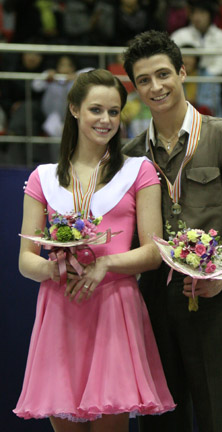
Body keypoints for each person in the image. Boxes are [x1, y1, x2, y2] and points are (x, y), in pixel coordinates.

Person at [122, 30, 222, 432]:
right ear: (135, 88)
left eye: (163, 74)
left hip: (213, 297)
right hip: (153, 299)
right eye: (143, 80)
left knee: (221, 419)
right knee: (161, 423)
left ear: (182, 72)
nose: (155, 87)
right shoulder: (130, 155)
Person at [13, 69, 176, 431]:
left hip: (114, 306)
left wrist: (106, 265)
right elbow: (26, 260)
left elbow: (154, 252)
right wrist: (58, 270)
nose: (106, 120)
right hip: (60, 310)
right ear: (73, 109)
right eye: (96, 110)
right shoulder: (43, 177)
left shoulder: (138, 171)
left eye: (114, 112)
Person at [170, 1, 222, 76]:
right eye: (194, 13)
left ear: (210, 15)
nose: (197, 17)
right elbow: (172, 60)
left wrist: (207, 74)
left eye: (202, 13)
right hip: (184, 79)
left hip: (213, 80)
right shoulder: (178, 35)